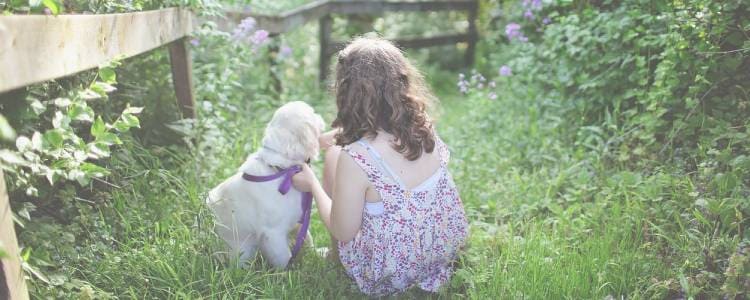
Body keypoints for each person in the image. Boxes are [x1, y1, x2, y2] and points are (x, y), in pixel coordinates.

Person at [291, 37, 468, 296]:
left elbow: (344, 231)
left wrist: (313, 185)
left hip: (391, 271)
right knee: (340, 152)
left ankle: (336, 258)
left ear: (348, 91)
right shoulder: (423, 127)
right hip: (442, 251)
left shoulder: (355, 157)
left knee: (334, 156)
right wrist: (343, 134)